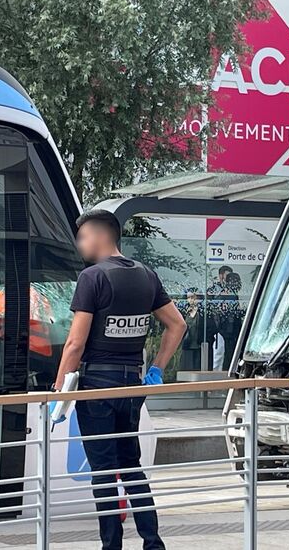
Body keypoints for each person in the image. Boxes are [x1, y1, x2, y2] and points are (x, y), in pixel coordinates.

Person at [54, 209, 186, 550]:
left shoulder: (93, 278)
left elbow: (75, 343)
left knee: (103, 471)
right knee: (131, 466)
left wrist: (58, 391)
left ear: (100, 236)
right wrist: (156, 368)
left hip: (97, 386)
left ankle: (111, 546)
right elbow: (177, 324)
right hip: (132, 386)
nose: (79, 244)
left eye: (82, 237)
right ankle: (152, 543)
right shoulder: (146, 275)